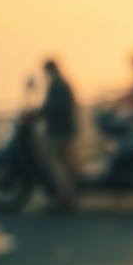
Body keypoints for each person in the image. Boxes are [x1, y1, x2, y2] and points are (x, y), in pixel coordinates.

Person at [38, 58, 80, 211]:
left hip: (57, 130)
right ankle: (70, 197)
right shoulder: (64, 83)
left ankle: (61, 198)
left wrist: (36, 114)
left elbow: (51, 107)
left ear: (49, 70)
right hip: (67, 129)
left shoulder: (56, 85)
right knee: (66, 164)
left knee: (53, 162)